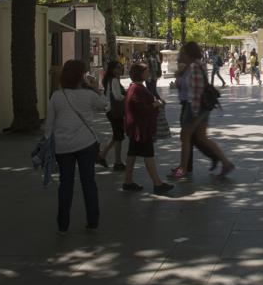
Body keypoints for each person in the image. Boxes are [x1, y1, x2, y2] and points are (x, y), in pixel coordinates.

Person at [43, 59, 107, 232]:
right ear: (81, 76)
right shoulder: (89, 95)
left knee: (66, 183)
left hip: (63, 146)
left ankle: (63, 224)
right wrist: (95, 88)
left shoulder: (57, 96)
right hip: (86, 143)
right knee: (88, 182)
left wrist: (48, 142)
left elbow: (49, 124)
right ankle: (93, 220)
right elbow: (105, 105)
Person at [170, 41, 235, 179]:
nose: (180, 55)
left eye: (182, 53)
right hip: (201, 107)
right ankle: (225, 162)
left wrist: (193, 114)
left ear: (188, 54)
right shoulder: (195, 66)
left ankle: (182, 169)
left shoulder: (194, 67)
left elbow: (195, 91)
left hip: (194, 106)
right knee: (201, 137)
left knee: (185, 136)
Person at [121, 63, 173, 194]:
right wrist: (156, 104)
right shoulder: (137, 89)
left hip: (135, 127)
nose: (149, 73)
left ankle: (127, 181)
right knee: (148, 154)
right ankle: (157, 184)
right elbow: (141, 109)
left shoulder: (135, 87)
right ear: (141, 73)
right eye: (146, 71)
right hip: (141, 128)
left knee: (132, 154)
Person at [98, 61, 127, 171]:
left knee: (117, 135)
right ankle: (118, 162)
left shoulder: (109, 79)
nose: (120, 70)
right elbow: (117, 96)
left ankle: (102, 155)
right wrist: (128, 96)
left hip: (111, 111)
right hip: (115, 111)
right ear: (112, 69)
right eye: (118, 68)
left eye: (121, 67)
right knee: (119, 137)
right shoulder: (114, 80)